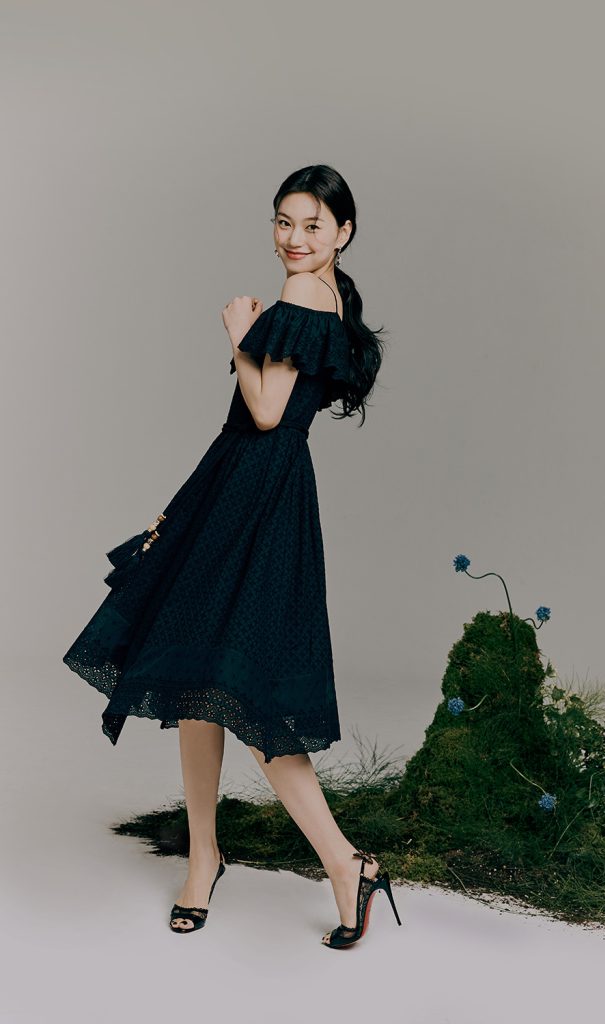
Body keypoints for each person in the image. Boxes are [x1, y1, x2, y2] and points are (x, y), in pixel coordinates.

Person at [62, 163, 402, 947]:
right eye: (284, 221)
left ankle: (346, 864)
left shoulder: (302, 293)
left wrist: (238, 335)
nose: (294, 238)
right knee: (196, 679)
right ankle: (204, 857)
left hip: (255, 493)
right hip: (248, 487)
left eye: (312, 225)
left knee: (244, 695)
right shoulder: (329, 293)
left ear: (344, 232)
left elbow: (266, 409)